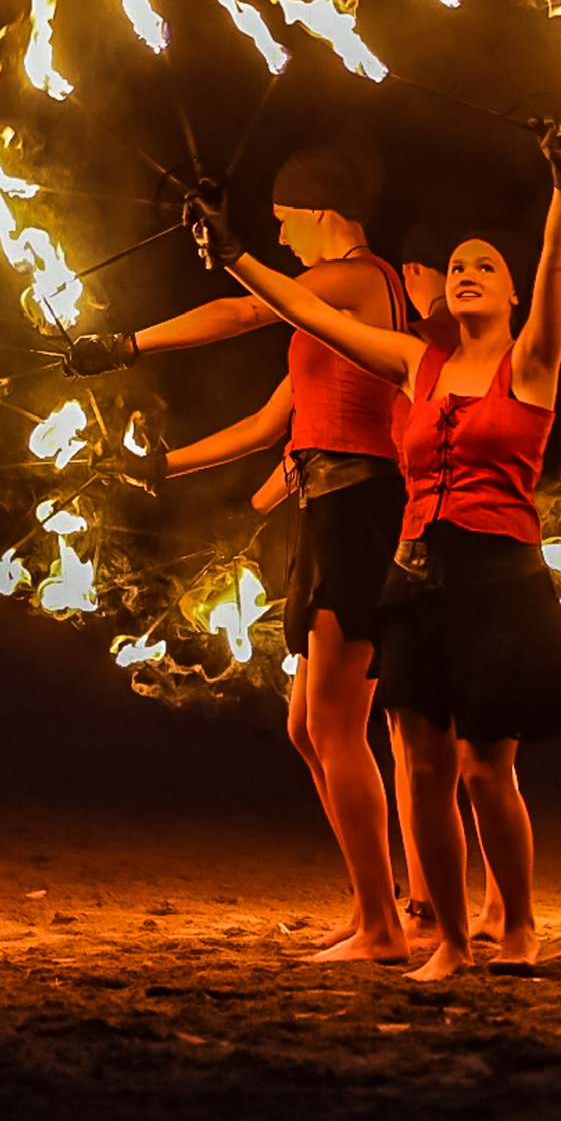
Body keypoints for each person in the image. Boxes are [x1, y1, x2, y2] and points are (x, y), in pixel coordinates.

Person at [184, 123, 561, 980]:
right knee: (418, 764)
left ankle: (517, 925)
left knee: (486, 769)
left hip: (499, 576)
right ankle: (447, 939)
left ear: (515, 294)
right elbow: (305, 309)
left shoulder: (531, 366)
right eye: (456, 266)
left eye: (485, 265)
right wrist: (232, 252)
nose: (465, 274)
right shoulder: (416, 363)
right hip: (416, 576)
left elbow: (560, 268)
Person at [76, 144, 419, 964]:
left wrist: (129, 343)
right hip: (325, 507)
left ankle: (383, 923)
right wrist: (161, 465)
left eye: (283, 219)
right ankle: (369, 904)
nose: (280, 232)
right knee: (307, 726)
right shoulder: (328, 305)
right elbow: (275, 423)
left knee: (336, 722)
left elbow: (240, 311)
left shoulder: (358, 279)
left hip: (360, 509)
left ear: (318, 210)